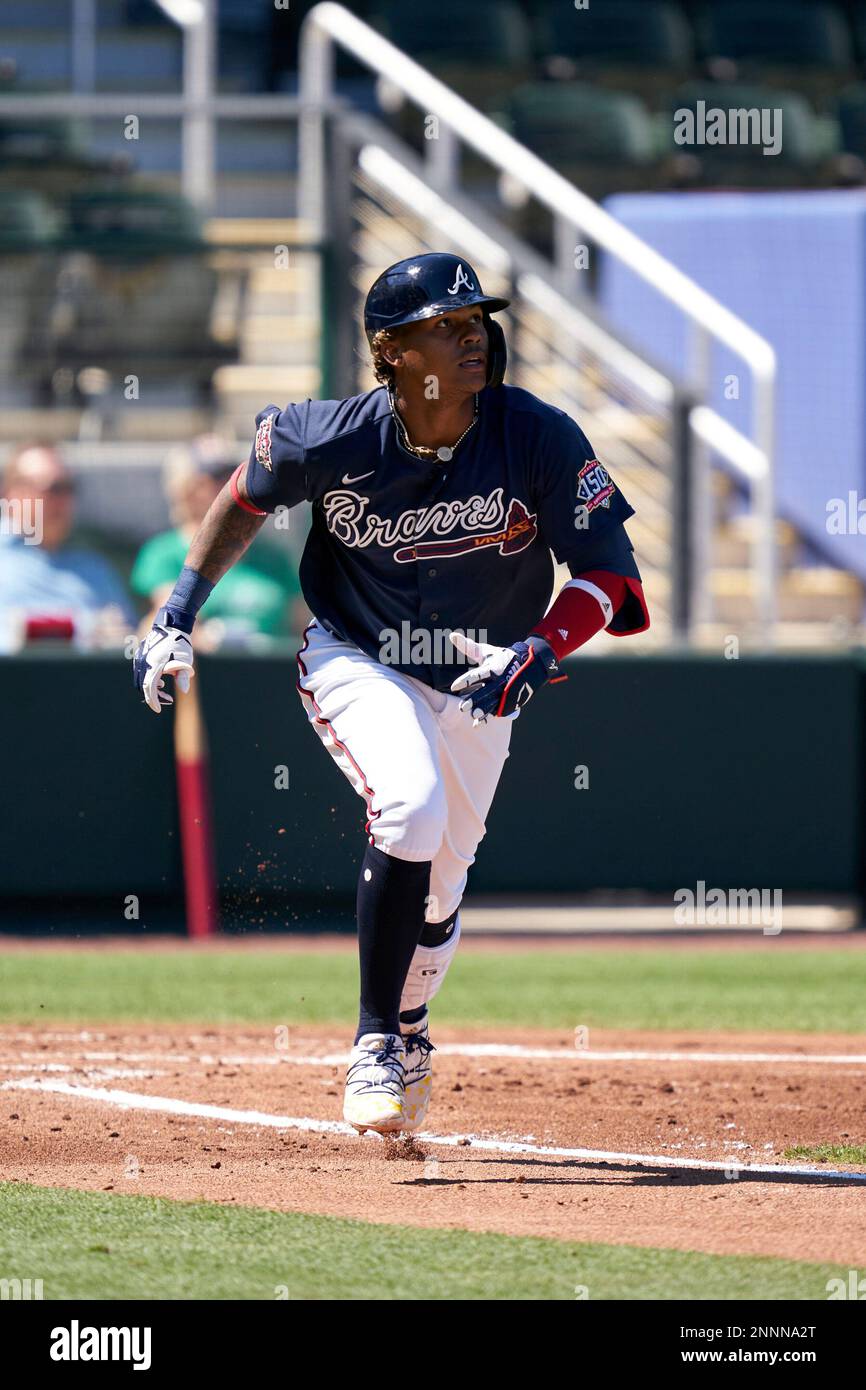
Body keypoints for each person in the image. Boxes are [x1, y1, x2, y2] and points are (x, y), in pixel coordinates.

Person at [133, 253, 649, 1137]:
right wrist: (176, 612)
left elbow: (610, 574)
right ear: (391, 351)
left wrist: (543, 644)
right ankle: (375, 1041)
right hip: (357, 653)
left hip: (483, 674)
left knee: (443, 890)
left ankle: (409, 1029)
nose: (472, 337)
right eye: (446, 326)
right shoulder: (324, 435)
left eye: (476, 321)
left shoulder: (537, 434)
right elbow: (244, 496)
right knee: (407, 809)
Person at [131, 434, 307, 643]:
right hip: (208, 669)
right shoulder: (163, 553)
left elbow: (303, 623)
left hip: (273, 670)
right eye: (216, 479)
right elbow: (171, 621)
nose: (228, 487)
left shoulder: (271, 556)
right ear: (186, 489)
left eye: (232, 476)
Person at [0, 444, 134, 653]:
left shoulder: (95, 570)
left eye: (69, 488)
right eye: (53, 489)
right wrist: (88, 629)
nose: (63, 500)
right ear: (13, 493)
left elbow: (127, 643)